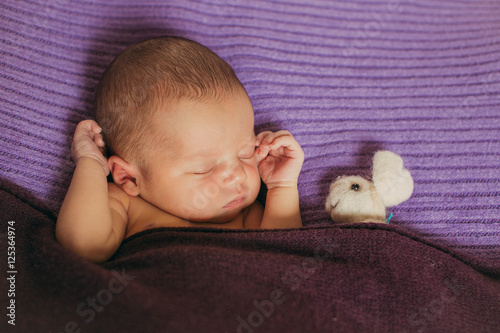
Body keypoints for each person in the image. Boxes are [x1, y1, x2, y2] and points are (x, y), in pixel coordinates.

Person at [56, 36, 304, 263]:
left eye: (246, 152)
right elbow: (84, 245)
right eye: (203, 169)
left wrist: (282, 187)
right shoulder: (125, 204)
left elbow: (281, 258)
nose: (238, 174)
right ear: (128, 177)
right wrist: (90, 163)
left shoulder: (244, 213)